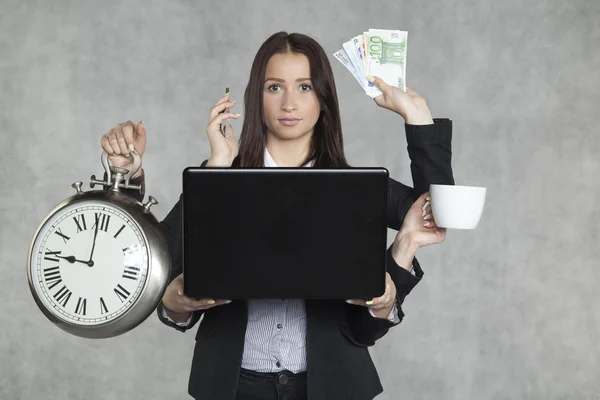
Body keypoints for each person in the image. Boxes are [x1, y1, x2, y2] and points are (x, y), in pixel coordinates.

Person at [101, 31, 454, 400]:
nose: (289, 103)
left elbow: (438, 211)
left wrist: (418, 116)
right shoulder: (222, 176)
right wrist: (212, 169)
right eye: (274, 88)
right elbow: (159, 260)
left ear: (323, 99)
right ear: (258, 96)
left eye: (304, 87)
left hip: (333, 386)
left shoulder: (356, 187)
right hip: (233, 386)